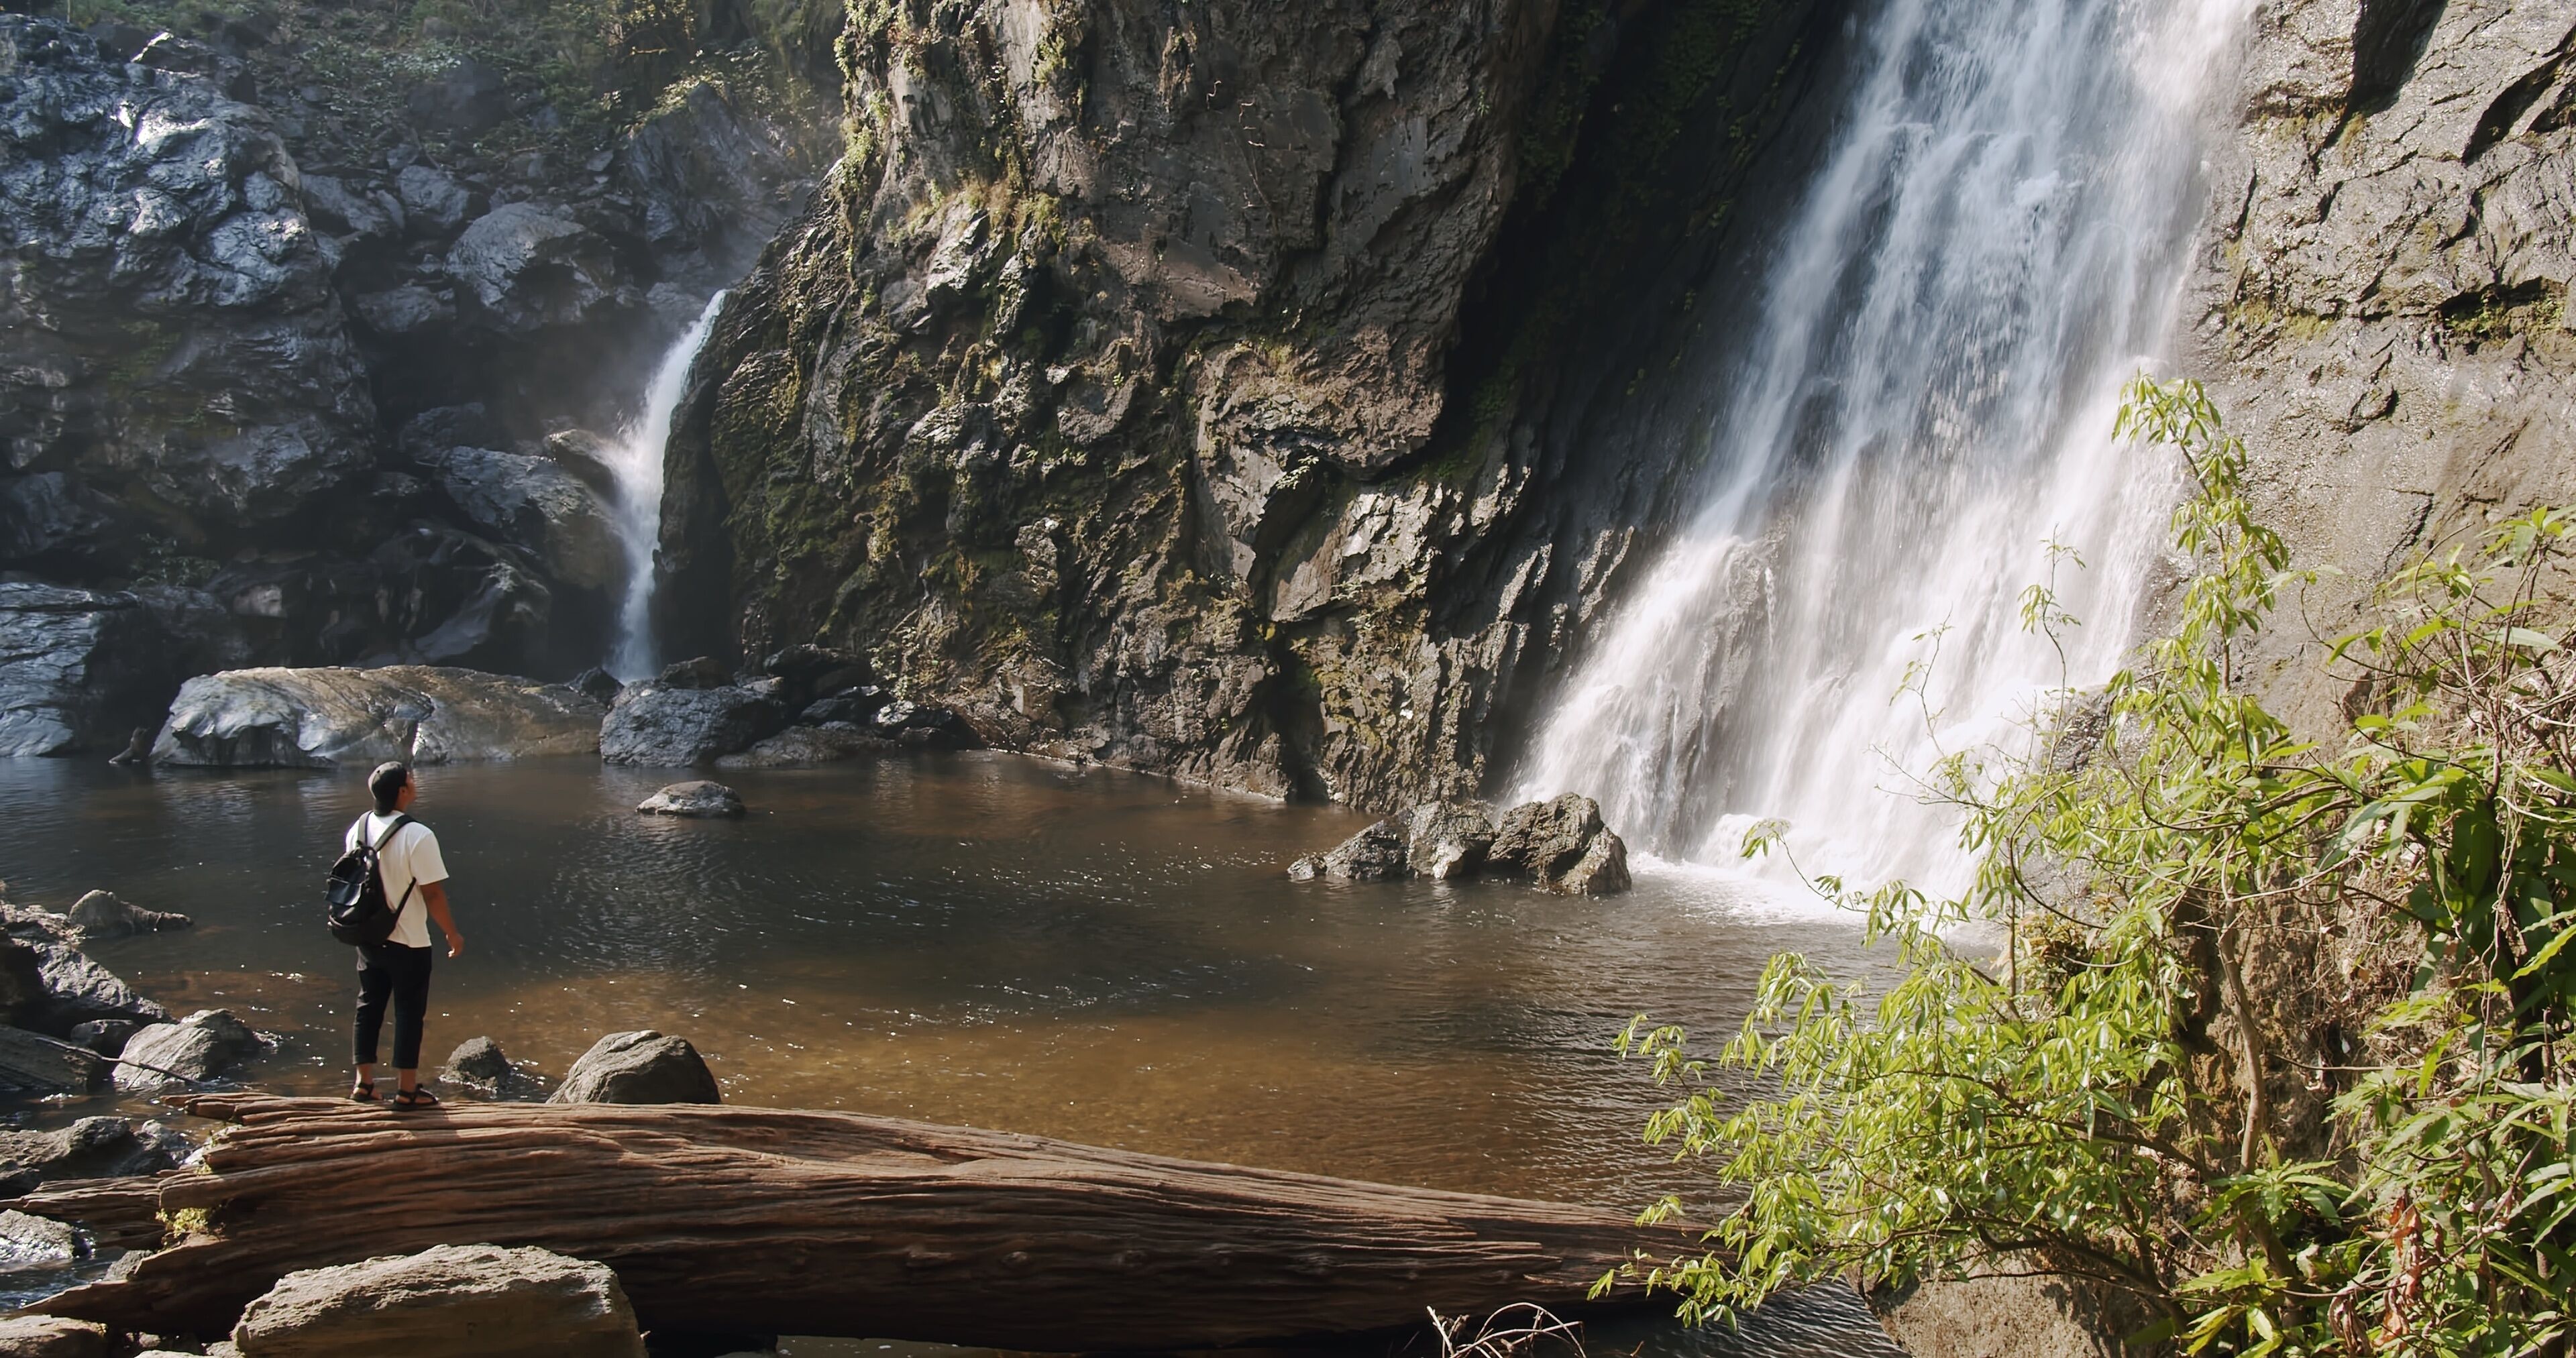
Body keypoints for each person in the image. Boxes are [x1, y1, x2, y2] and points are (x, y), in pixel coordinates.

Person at [347, 761, 465, 1108]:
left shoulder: (359, 827)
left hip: (369, 935)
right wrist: (452, 934)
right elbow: (432, 894)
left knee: (368, 1006)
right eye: (411, 779)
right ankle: (406, 1090)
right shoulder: (418, 835)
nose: (414, 783)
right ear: (402, 791)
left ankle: (364, 1083)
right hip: (409, 940)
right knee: (409, 1012)